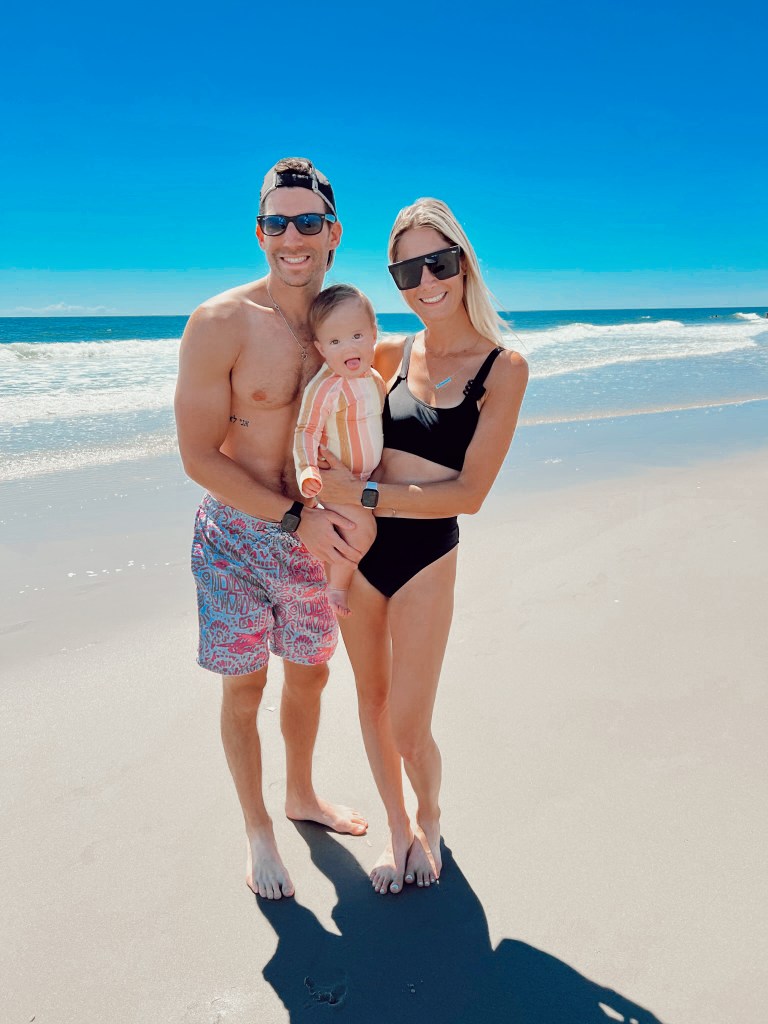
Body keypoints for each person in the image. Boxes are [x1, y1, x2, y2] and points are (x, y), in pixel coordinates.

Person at [318, 198, 529, 894]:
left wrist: (363, 496)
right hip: (359, 556)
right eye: (407, 270)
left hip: (427, 559)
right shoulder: (388, 354)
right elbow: (325, 408)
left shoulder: (503, 369)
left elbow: (469, 493)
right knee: (370, 703)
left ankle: (429, 814)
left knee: (409, 726)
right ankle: (397, 825)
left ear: (463, 263)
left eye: (437, 262)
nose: (425, 281)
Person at [174, 157, 368, 901]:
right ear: (259, 233)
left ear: (332, 233)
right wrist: (293, 518)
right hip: (235, 540)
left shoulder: (349, 326)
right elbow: (198, 457)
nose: (292, 237)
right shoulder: (220, 323)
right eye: (276, 222)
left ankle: (302, 794)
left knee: (312, 676)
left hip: (320, 542)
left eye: (307, 221)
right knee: (246, 686)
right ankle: (257, 830)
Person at [294, 284, 386, 618]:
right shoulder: (326, 386)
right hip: (333, 480)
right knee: (364, 531)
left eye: (357, 336)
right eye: (335, 342)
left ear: (373, 334)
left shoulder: (374, 379)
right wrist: (308, 470)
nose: (348, 347)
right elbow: (306, 430)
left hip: (365, 479)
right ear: (321, 348)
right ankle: (337, 587)